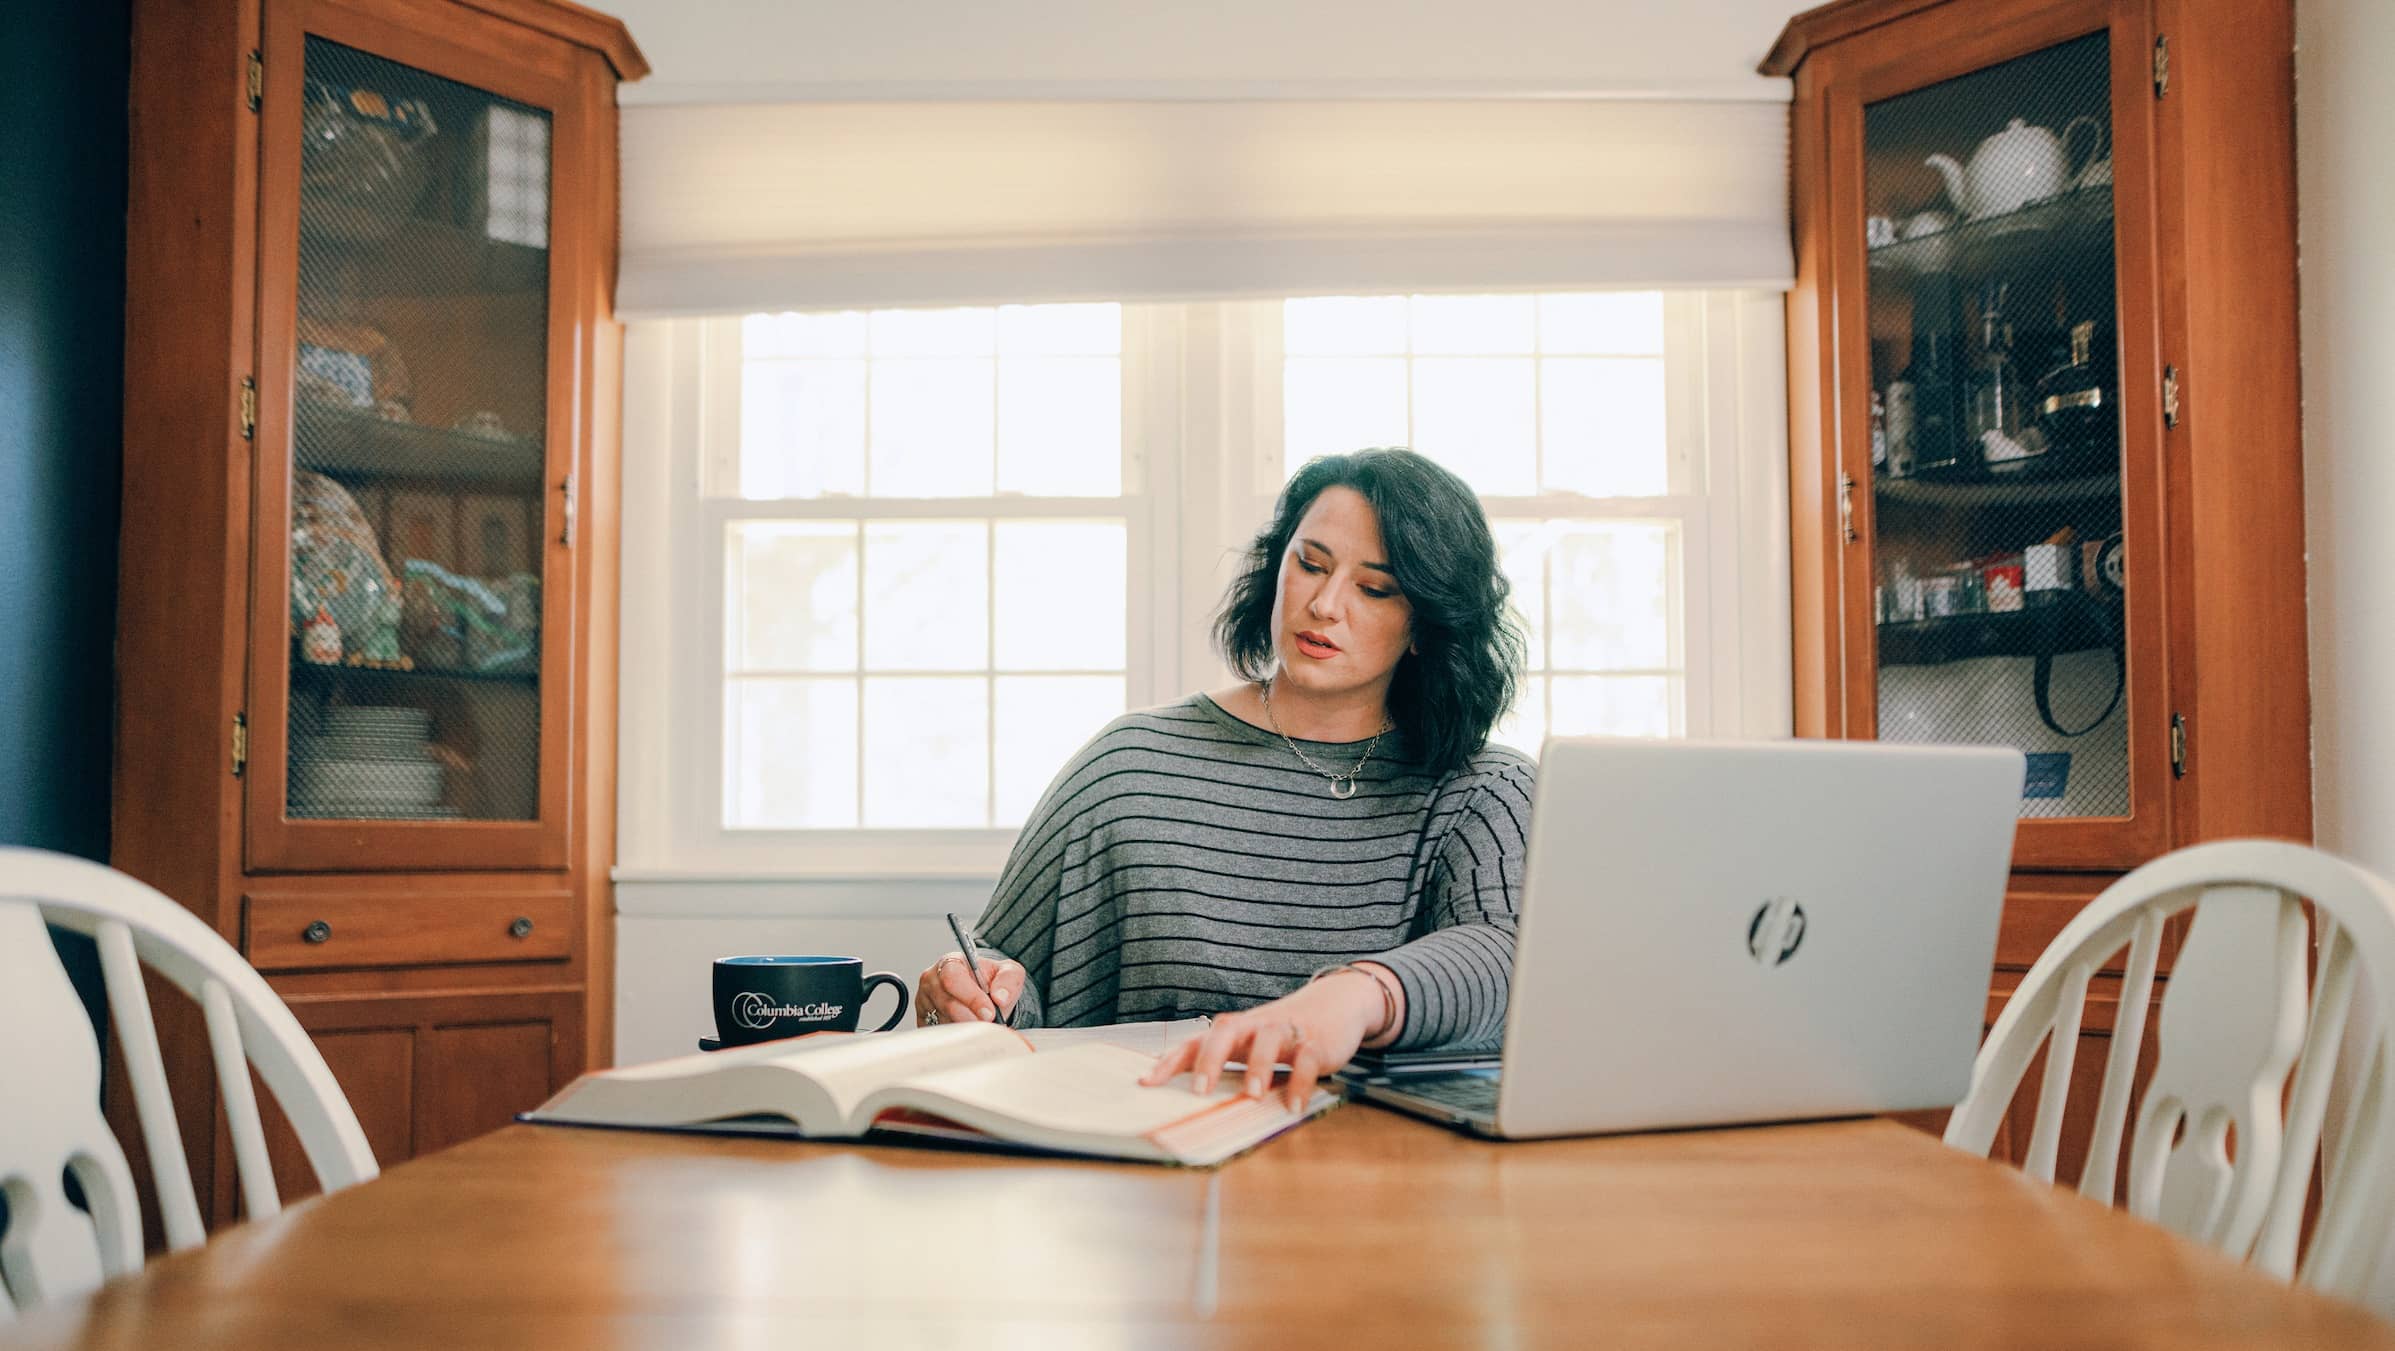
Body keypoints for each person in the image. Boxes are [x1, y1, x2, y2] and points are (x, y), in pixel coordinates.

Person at [915, 447, 1535, 1111]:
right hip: (1146, 1164)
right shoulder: (1130, 763)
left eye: (1375, 588)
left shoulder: (1484, 788)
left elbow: (1510, 954)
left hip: (1389, 1184)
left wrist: (1355, 995)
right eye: (1310, 563)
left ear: (1425, 626)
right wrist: (964, 994)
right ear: (1277, 566)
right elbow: (1012, 990)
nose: (1324, 604)